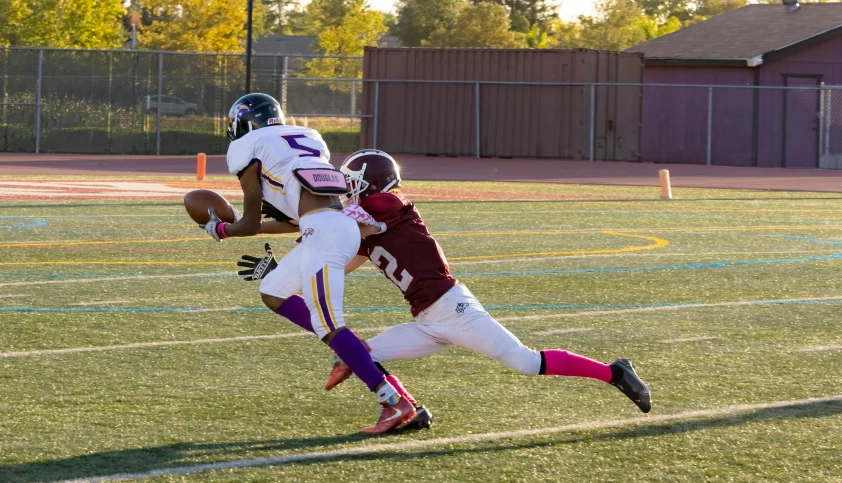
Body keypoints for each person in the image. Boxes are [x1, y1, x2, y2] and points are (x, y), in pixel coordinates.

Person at [248, 149, 652, 418]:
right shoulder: (363, 232)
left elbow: (337, 218)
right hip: (425, 319)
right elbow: (329, 263)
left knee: (526, 362)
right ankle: (409, 410)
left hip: (453, 309)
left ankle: (614, 373)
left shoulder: (388, 205)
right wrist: (279, 275)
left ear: (370, 184)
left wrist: (293, 214)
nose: (343, 187)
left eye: (351, 181)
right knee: (362, 353)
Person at [203, 94, 417, 434]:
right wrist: (237, 228)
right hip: (334, 224)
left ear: (243, 123)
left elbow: (247, 223)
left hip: (324, 233)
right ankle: (351, 345)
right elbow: (294, 221)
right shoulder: (308, 138)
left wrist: (218, 229)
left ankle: (394, 400)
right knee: (273, 290)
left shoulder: (246, 149)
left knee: (328, 324)